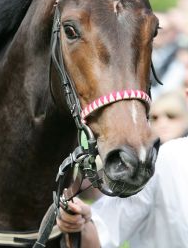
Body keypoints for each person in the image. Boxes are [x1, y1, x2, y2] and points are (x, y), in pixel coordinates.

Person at [57, 92, 188, 247]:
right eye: (154, 117)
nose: (162, 123)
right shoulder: (164, 161)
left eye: (172, 116)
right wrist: (81, 221)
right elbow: (101, 230)